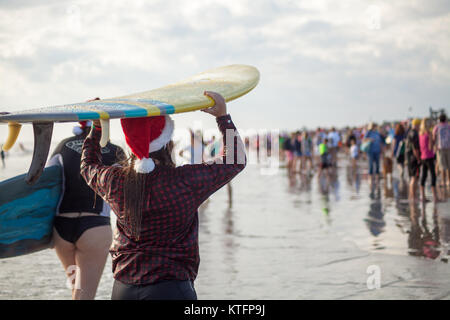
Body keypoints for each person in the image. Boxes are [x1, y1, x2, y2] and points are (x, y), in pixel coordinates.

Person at [80, 91, 246, 300]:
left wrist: (97, 127)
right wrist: (223, 118)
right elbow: (235, 160)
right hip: (171, 289)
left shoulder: (114, 180)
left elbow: (87, 165)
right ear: (166, 141)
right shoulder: (183, 181)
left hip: (124, 289)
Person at [48, 112, 126, 300]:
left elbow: (47, 185)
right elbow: (128, 191)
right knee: (85, 295)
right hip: (94, 230)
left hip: (61, 231)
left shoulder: (62, 146)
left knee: (77, 288)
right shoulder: (115, 150)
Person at [419, 118, 439, 203]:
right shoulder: (429, 133)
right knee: (433, 176)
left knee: (423, 176)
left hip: (423, 157)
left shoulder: (420, 134)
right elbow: (431, 147)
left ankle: (423, 196)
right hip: (429, 156)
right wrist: (433, 139)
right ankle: (435, 198)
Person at [433, 114, 450, 199]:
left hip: (441, 148)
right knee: (449, 166)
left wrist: (434, 146)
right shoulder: (448, 126)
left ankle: (443, 181)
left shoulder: (437, 127)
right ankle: (448, 181)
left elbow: (433, 137)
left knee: (443, 166)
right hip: (449, 147)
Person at [363, 123, 384, 188]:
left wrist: (382, 151)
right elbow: (364, 140)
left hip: (377, 151)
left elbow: (380, 142)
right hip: (371, 151)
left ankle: (377, 178)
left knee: (377, 165)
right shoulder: (368, 132)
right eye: (374, 126)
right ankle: (370, 178)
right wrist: (370, 139)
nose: (375, 127)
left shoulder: (377, 133)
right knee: (371, 165)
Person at [406, 119, 422, 202]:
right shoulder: (414, 134)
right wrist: (419, 158)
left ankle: (412, 195)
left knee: (413, 177)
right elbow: (415, 148)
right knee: (414, 177)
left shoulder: (410, 132)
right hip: (413, 157)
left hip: (409, 157)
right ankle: (413, 196)